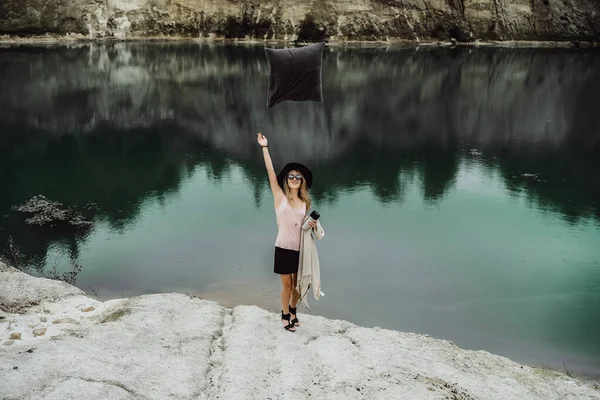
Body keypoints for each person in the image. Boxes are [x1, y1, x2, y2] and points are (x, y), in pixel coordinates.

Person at [257, 132, 317, 332]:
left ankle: (293, 310)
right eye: (291, 176)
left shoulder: (305, 202)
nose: (294, 179)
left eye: (297, 177)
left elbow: (302, 226)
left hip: (300, 250)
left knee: (300, 287)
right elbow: (270, 172)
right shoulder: (279, 197)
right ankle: (285, 316)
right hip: (283, 248)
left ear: (302, 182)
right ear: (287, 179)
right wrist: (265, 147)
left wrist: (312, 225)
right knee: (288, 286)